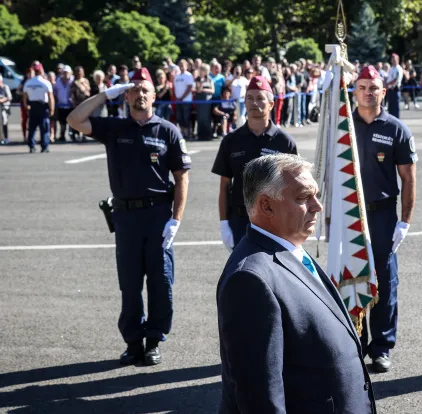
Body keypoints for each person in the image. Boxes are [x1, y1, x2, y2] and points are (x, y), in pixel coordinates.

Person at [214, 154, 379, 414]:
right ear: (266, 206)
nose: (317, 206)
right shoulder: (251, 278)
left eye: (316, 195)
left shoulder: (290, 249)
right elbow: (261, 402)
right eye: (304, 198)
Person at [66, 67, 191, 366]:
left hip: (159, 215)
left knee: (161, 281)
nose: (140, 95)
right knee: (130, 283)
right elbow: (74, 119)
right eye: (133, 90)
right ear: (126, 95)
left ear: (153, 94)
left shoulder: (167, 131)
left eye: (145, 90)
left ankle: (154, 341)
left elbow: (182, 177)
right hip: (126, 218)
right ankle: (133, 341)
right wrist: (105, 94)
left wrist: (176, 220)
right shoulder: (115, 129)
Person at [352, 65, 417, 373]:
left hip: (382, 215)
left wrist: (404, 221)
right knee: (349, 278)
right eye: (362, 86)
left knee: (384, 283)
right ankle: (354, 344)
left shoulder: (396, 129)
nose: (368, 91)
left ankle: (381, 347)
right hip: (349, 213)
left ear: (383, 91)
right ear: (354, 90)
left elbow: (408, 177)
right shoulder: (343, 127)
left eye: (373, 87)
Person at [212, 75, 297, 252]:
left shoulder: (285, 142)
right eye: (249, 98)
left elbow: (294, 188)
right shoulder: (231, 141)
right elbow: (224, 186)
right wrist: (224, 223)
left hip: (275, 221)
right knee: (242, 275)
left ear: (271, 104)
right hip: (240, 220)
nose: (254, 103)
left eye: (260, 98)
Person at [23, 62, 54, 153]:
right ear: (41, 70)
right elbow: (50, 97)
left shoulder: (28, 82)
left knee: (32, 128)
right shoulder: (45, 82)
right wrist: (52, 108)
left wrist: (26, 106)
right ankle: (44, 146)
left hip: (33, 106)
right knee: (44, 127)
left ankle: (32, 146)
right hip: (43, 106)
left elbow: (24, 97)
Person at [386, 53, 403, 118]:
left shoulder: (398, 69)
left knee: (395, 107)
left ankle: (396, 121)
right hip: (390, 89)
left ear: (398, 60)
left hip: (395, 89)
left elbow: (396, 80)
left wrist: (388, 84)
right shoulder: (391, 68)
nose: (393, 61)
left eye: (395, 59)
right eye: (392, 59)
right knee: (390, 107)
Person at [0, 75, 11, 144]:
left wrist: (2, 100)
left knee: (4, 121)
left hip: (4, 107)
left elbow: (9, 97)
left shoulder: (5, 87)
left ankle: (6, 138)